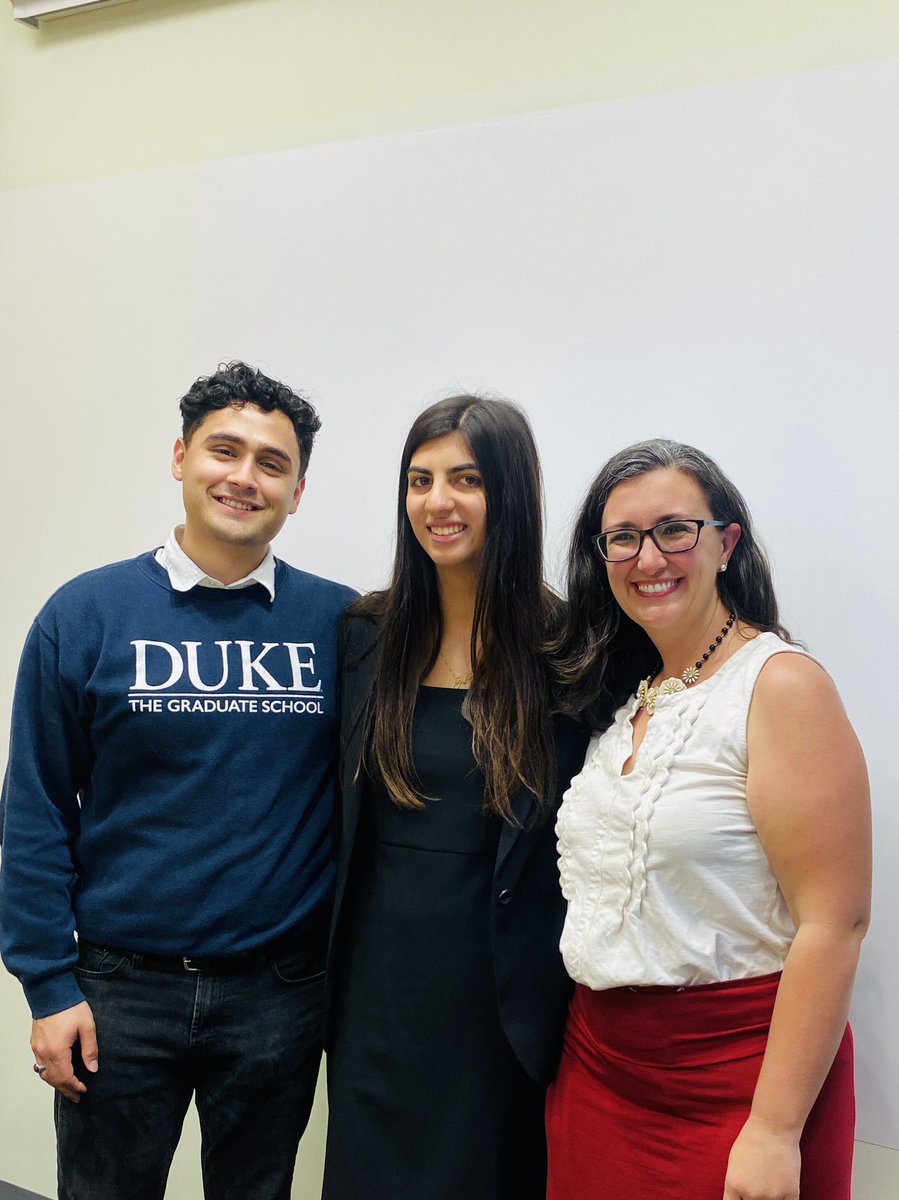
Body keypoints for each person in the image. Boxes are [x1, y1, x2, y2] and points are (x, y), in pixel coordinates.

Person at [0, 362, 356, 1200]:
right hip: (120, 994)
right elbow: (36, 809)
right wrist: (48, 986)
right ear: (179, 457)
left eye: (271, 463)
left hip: (280, 995)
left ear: (298, 491)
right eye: (223, 451)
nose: (243, 477)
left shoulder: (345, 627)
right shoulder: (84, 614)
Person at [545, 439, 871, 1200]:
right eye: (621, 538)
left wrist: (774, 1130)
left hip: (740, 1080)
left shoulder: (778, 686)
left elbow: (834, 922)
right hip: (597, 1069)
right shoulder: (633, 696)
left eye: (673, 530)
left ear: (725, 544)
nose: (646, 557)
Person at [320, 395, 589, 1200]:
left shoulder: (568, 653)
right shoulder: (364, 636)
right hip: (374, 1000)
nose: (437, 502)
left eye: (465, 479)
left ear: (508, 493)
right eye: (419, 480)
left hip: (500, 1007)